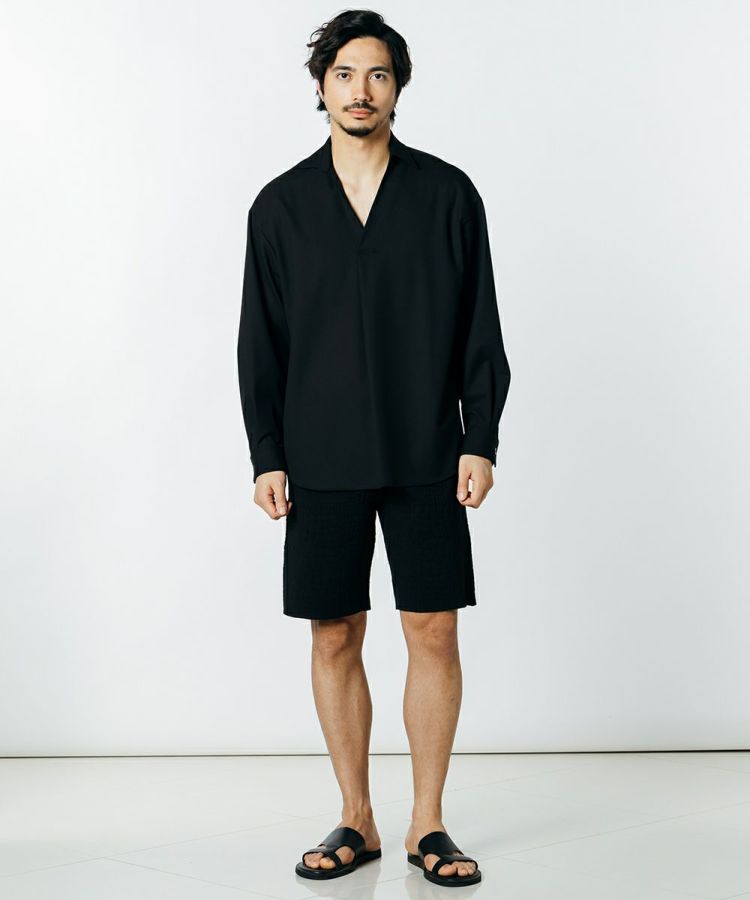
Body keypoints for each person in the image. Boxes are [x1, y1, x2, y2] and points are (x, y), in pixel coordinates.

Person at [237, 9, 510, 887]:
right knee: (333, 633)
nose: (362, 90)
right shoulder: (281, 206)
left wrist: (480, 436)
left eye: (379, 74)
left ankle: (429, 823)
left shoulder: (447, 195)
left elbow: (479, 325)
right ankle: (356, 816)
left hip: (428, 446)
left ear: (399, 88)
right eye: (346, 74)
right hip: (319, 455)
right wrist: (267, 453)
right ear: (322, 86)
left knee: (434, 629)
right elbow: (260, 342)